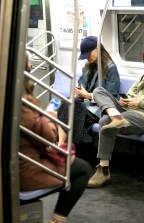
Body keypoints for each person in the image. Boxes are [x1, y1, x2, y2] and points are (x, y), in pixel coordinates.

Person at [87, 42, 144, 188]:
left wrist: (140, 102)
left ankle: (103, 170)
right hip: (130, 112)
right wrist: (125, 102)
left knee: (104, 120)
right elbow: (131, 93)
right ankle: (116, 116)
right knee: (98, 91)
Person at [19, 54, 92, 223]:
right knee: (83, 169)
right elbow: (46, 136)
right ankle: (58, 218)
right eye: (29, 64)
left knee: (70, 107)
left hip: (23, 158)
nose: (31, 65)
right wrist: (49, 118)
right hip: (27, 169)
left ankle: (63, 143)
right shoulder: (24, 102)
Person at [58, 35, 120, 145]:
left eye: (88, 54)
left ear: (97, 49)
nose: (87, 58)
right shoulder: (88, 67)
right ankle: (62, 144)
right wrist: (79, 92)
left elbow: (112, 97)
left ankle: (65, 145)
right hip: (85, 105)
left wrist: (88, 95)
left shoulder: (110, 68)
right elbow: (81, 85)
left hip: (99, 109)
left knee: (73, 108)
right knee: (66, 103)